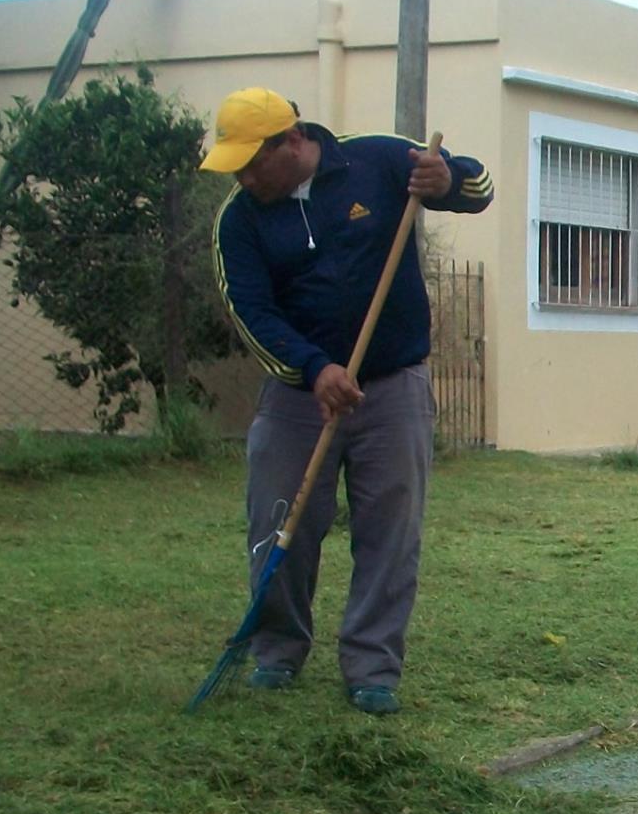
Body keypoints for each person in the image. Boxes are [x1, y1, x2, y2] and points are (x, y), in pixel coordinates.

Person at [201, 88, 494, 714]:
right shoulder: (239, 219)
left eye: (253, 163)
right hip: (296, 396)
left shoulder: (377, 162)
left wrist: (451, 177)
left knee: (390, 530)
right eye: (237, 168)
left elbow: (480, 186)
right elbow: (249, 312)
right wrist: (313, 369)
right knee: (280, 521)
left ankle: (372, 668)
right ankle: (277, 652)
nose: (245, 178)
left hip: (394, 388)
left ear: (292, 141)